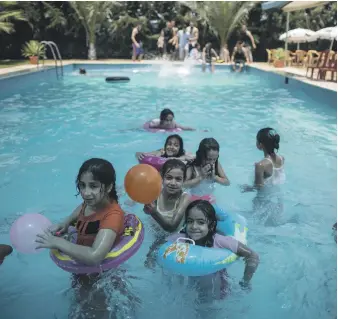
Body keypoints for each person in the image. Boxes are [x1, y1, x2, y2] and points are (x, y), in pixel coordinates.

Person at [36, 158, 125, 319]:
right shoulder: (91, 203)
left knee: (97, 312)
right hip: (82, 273)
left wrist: (57, 242)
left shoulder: (112, 216)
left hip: (101, 277)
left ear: (109, 186)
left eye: (93, 186)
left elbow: (95, 256)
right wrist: (66, 221)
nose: (85, 192)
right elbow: (82, 208)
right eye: (82, 185)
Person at [168, 200, 259, 296]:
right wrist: (150, 259)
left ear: (211, 225)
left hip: (218, 291)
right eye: (190, 221)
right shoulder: (180, 239)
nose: (194, 226)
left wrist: (245, 281)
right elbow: (159, 245)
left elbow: (253, 255)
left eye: (201, 222)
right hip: (191, 288)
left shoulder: (219, 241)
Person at [144, 159, 191, 267]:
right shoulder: (155, 192)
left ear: (184, 180)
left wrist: (154, 212)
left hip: (177, 236)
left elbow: (172, 227)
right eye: (169, 177)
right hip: (157, 233)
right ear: (161, 177)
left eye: (178, 179)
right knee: (148, 263)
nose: (173, 183)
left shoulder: (185, 198)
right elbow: (146, 211)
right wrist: (147, 209)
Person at [241, 128, 285, 192]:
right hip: (278, 196)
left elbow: (258, 187)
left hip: (264, 198)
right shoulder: (282, 159)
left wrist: (247, 188)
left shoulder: (260, 165)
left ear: (260, 145)